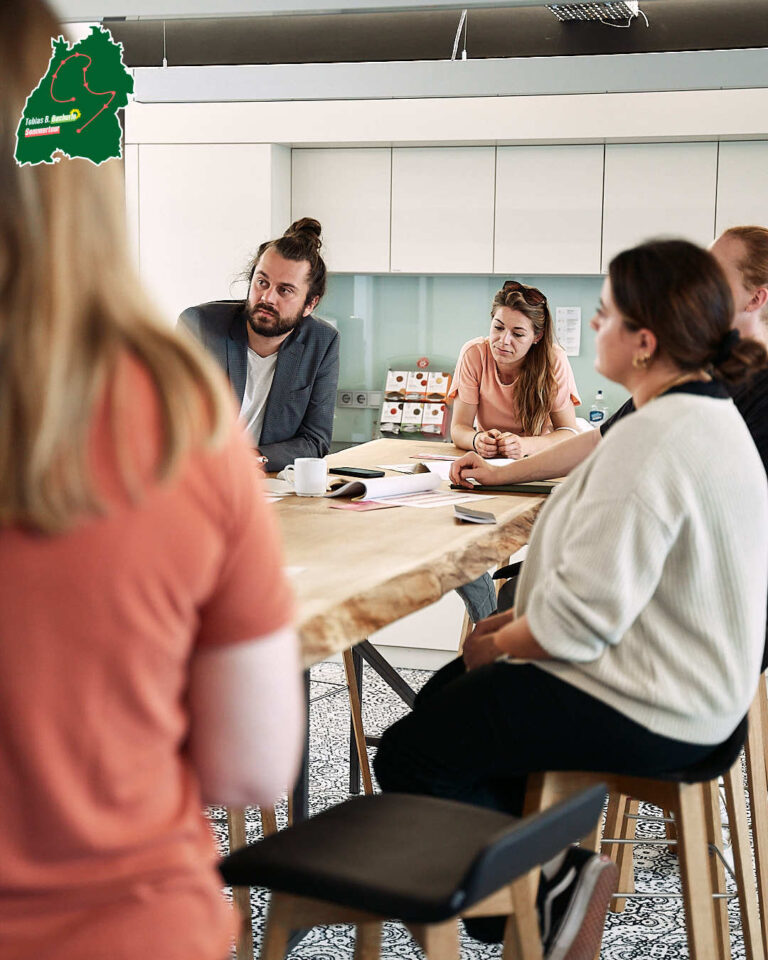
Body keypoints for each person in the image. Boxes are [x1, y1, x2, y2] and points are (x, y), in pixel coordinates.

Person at [0, 4, 304, 959]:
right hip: (135, 927)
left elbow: (304, 434)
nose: (265, 295)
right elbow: (254, 764)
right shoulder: (177, 405)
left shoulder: (274, 360)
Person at [376, 239, 768, 959]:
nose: (594, 329)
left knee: (412, 752)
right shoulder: (702, 413)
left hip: (662, 705)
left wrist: (500, 640)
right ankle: (546, 880)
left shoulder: (652, 436)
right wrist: (516, 626)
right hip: (695, 693)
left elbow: (582, 620)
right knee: (456, 703)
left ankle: (546, 893)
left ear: (644, 342)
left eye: (606, 315)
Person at [451, 225, 768, 623]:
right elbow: (599, 440)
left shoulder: (711, 397)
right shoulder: (696, 382)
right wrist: (501, 475)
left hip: (697, 602)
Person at [179, 218, 340, 473]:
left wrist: (252, 459)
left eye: (285, 290)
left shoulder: (321, 342)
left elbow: (315, 441)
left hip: (266, 484)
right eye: (262, 282)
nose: (267, 298)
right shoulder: (200, 327)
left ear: (310, 304)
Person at [449, 280, 581, 458]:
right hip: (489, 462)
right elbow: (458, 428)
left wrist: (526, 446)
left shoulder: (554, 359)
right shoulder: (474, 354)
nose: (503, 340)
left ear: (537, 336)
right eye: (498, 327)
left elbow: (568, 433)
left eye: (517, 334)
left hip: (539, 460)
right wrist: (476, 439)